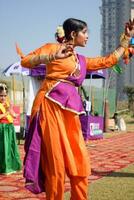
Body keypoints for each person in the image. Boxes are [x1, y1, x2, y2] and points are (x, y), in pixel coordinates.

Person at [20, 18, 134, 200]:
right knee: (55, 165)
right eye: (85, 32)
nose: (88, 36)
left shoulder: (81, 60)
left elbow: (108, 60)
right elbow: (26, 61)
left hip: (70, 112)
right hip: (50, 108)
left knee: (79, 162)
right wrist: (51, 57)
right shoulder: (51, 48)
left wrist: (125, 40)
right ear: (73, 34)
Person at [0, 83, 22, 174]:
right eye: (1, 95)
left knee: (10, 147)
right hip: (2, 128)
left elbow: (13, 115)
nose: (3, 98)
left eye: (5, 95)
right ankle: (4, 167)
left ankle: (12, 166)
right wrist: (7, 112)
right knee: (3, 148)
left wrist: (15, 113)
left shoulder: (7, 104)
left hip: (9, 127)